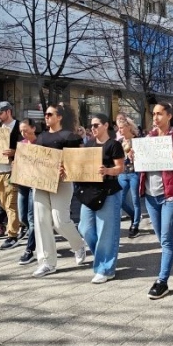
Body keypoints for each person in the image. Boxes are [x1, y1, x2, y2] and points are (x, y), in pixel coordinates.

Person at [139, 102, 173, 299]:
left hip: (171, 196)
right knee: (162, 237)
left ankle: (162, 281)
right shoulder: (148, 139)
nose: (156, 117)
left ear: (169, 116)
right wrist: (135, 155)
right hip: (151, 197)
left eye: (159, 114)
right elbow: (142, 165)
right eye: (154, 114)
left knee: (167, 239)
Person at [32, 104, 86, 277]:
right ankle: (47, 262)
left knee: (60, 221)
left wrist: (67, 168)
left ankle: (78, 245)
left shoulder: (70, 136)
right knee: (41, 221)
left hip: (61, 183)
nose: (46, 117)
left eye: (49, 114)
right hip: (40, 182)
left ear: (59, 117)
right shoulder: (41, 137)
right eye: (45, 114)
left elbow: (79, 161)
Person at [78, 114, 125, 283]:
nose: (93, 128)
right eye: (91, 126)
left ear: (106, 125)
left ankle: (105, 269)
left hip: (109, 192)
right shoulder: (88, 145)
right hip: (90, 192)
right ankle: (104, 255)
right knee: (85, 229)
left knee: (106, 231)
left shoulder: (114, 145)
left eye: (96, 125)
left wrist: (107, 171)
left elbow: (120, 168)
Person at [0, 101, 22, 250]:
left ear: (8, 112)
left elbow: (31, 147)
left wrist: (15, 152)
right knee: (1, 201)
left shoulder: (20, 127)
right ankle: (23, 223)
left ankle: (12, 235)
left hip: (13, 170)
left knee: (11, 204)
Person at [17, 119, 38, 264]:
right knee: (22, 216)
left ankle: (29, 250)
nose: (23, 133)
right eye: (21, 131)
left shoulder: (41, 143)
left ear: (34, 128)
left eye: (26, 130)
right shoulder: (22, 144)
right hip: (23, 182)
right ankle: (42, 232)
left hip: (36, 184)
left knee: (31, 218)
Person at [117, 118, 141, 238]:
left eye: (121, 127)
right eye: (119, 128)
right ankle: (133, 215)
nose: (119, 130)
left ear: (128, 127)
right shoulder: (120, 141)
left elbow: (143, 157)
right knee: (120, 199)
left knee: (135, 199)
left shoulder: (137, 140)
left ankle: (135, 225)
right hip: (122, 173)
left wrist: (135, 155)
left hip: (134, 173)